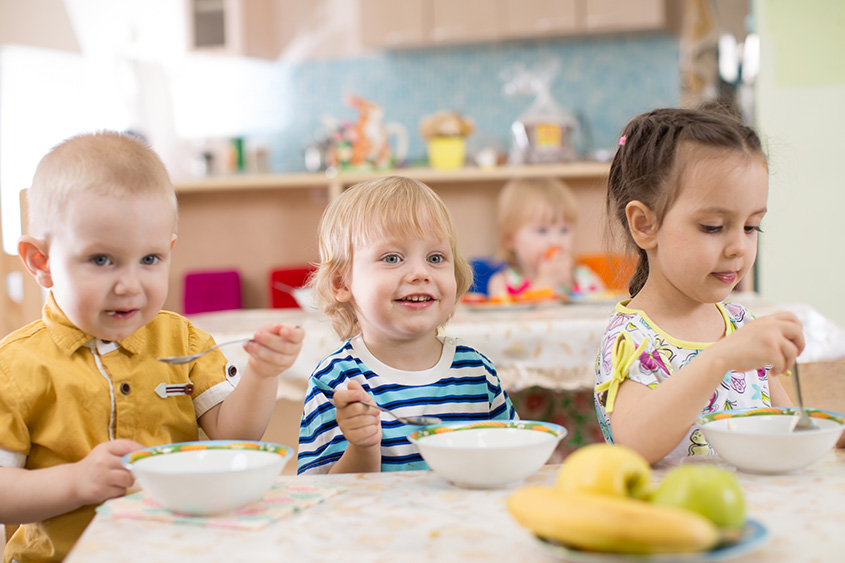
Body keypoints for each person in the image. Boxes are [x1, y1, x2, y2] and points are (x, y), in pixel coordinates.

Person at [0, 131, 304, 562]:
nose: (130, 285)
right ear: (41, 262)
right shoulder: (14, 367)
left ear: (170, 251)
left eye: (150, 260)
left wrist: (262, 373)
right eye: (101, 260)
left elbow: (236, 435)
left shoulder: (185, 340)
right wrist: (76, 482)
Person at [593, 107, 817, 465]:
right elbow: (634, 445)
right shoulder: (633, 339)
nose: (739, 247)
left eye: (751, 227)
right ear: (645, 225)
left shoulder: (742, 324)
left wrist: (823, 436)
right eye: (713, 226)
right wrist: (721, 357)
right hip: (672, 517)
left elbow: (789, 428)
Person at [297, 176, 517, 475]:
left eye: (436, 257)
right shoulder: (335, 381)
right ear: (341, 282)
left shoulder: (477, 372)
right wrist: (363, 445)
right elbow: (322, 495)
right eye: (392, 257)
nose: (419, 272)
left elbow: (512, 458)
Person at [486, 177, 603, 301]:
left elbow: (605, 314)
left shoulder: (585, 279)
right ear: (510, 239)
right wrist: (546, 283)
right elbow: (513, 319)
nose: (556, 241)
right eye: (542, 230)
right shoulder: (502, 283)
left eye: (564, 230)